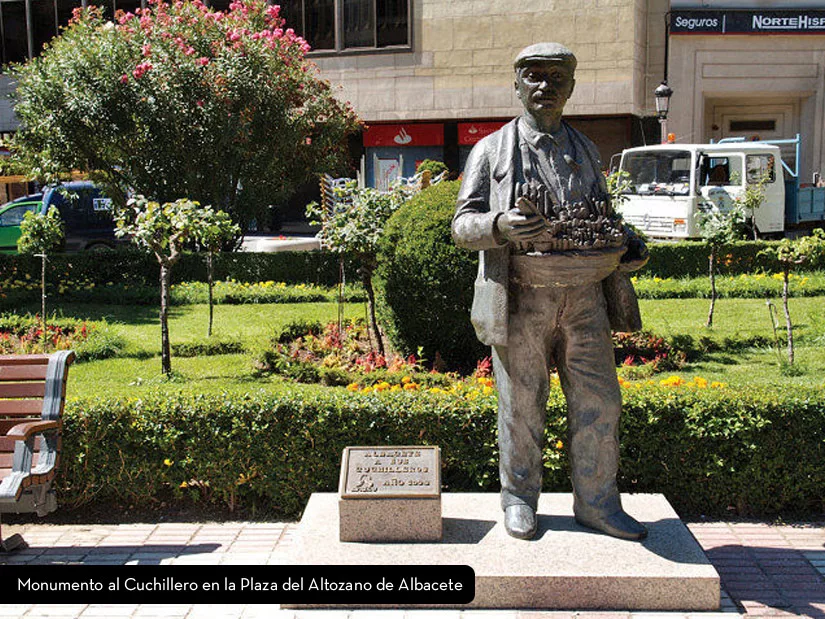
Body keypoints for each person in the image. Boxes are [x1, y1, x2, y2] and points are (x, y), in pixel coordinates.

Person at [452, 42, 649, 541]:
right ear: (516, 85)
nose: (545, 86)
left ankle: (599, 503)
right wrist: (499, 223)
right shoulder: (491, 150)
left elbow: (602, 219)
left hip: (585, 299)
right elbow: (462, 225)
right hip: (522, 298)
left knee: (600, 403)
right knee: (521, 403)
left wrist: (626, 247)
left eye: (556, 78)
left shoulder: (585, 149)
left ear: (571, 88)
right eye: (533, 76)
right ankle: (519, 498)